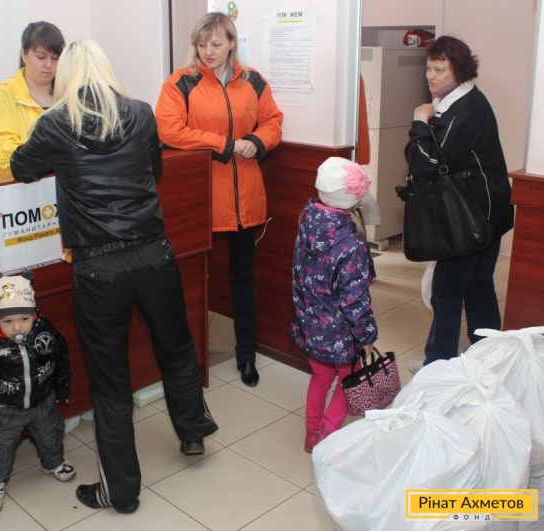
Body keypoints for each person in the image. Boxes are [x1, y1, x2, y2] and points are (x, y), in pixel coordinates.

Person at [10, 39, 218, 514]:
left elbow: (21, 166)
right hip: (154, 254)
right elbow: (153, 168)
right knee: (176, 346)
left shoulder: (55, 124)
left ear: (66, 75)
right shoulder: (141, 113)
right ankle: (192, 432)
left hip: (99, 266)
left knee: (110, 381)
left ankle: (120, 491)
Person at [155, 12, 283, 387]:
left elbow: (273, 121)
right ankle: (186, 359)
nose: (208, 51)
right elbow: (169, 130)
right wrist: (224, 144)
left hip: (245, 197)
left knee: (243, 278)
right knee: (190, 281)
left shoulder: (253, 81)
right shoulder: (181, 82)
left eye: (216, 43)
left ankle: (247, 355)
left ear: (231, 44)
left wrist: (257, 141)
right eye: (202, 44)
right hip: (200, 197)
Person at [404, 36, 514, 373]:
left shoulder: (463, 110)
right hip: (487, 214)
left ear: (460, 71)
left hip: (469, 219)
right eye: (428, 68)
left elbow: (425, 164)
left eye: (439, 70)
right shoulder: (464, 101)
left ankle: (438, 366)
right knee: (479, 287)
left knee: (447, 289)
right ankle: (490, 358)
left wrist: (419, 121)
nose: (430, 75)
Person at [0, 272, 74, 513]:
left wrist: (62, 386)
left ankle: (53, 461)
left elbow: (61, 357)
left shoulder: (44, 331)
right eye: (8, 321)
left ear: (34, 314)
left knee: (50, 434)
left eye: (24, 318)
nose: (17, 327)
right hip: (4, 407)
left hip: (42, 400)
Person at [290, 157, 378, 453]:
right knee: (349, 378)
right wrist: (366, 336)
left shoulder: (307, 221)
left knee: (320, 377)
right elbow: (354, 300)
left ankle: (311, 432)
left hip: (310, 322)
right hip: (342, 333)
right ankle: (327, 434)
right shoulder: (352, 245)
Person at [0, 21, 65, 170]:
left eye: (55, 58)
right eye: (41, 57)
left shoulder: (69, 92)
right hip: (23, 180)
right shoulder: (5, 95)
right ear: (24, 55)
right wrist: (39, 159)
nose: (48, 64)